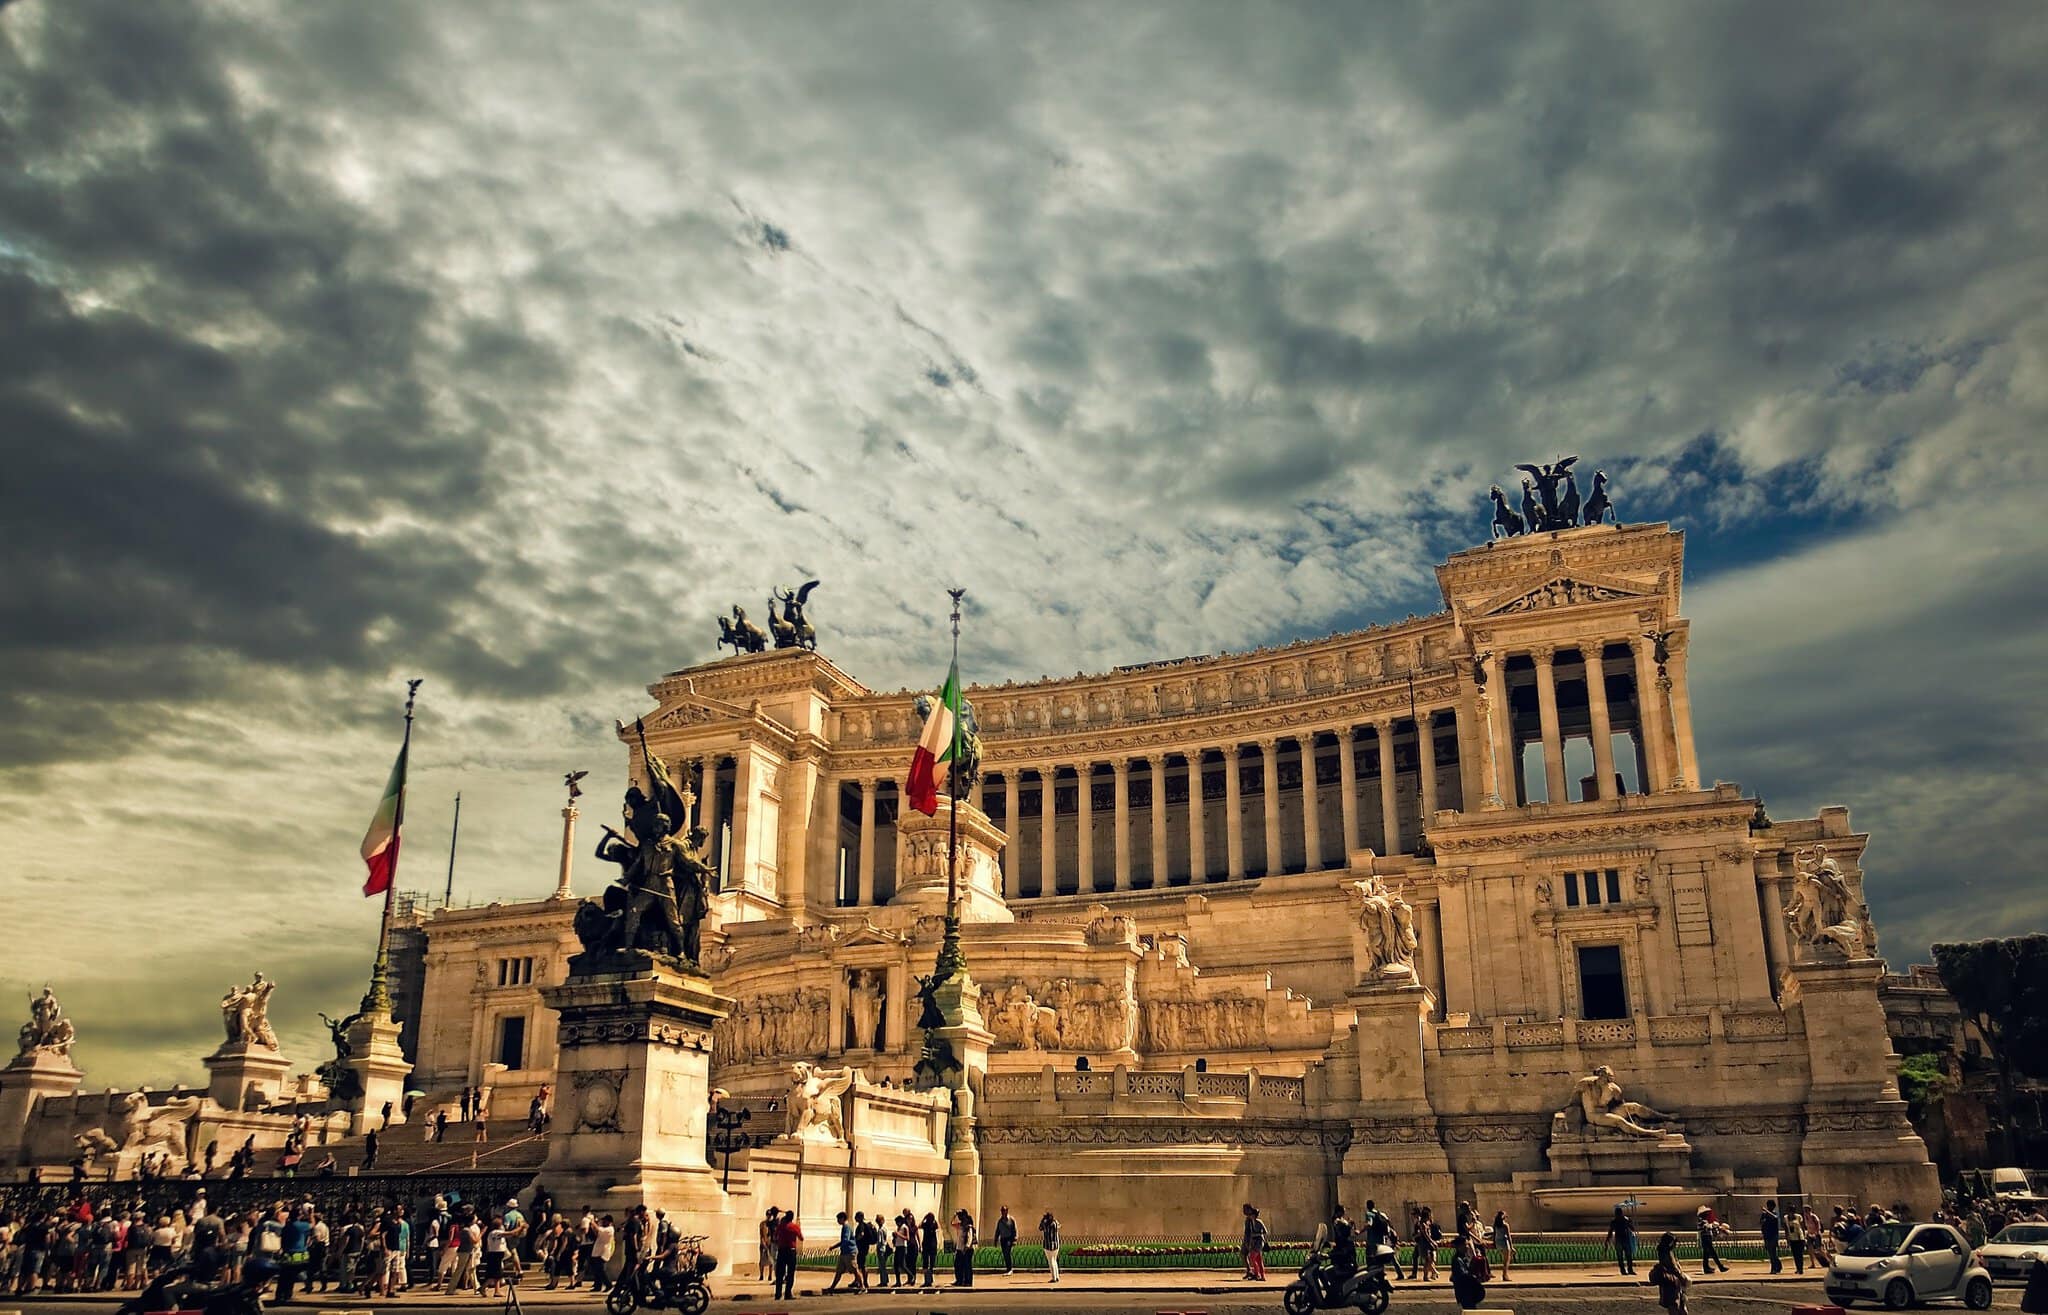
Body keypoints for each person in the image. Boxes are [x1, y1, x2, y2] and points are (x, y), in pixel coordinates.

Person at [1650, 1231, 1691, 1315]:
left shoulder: (1664, 1251)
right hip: (1672, 1282)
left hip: (1670, 1282)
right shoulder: (1667, 1253)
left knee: (1677, 1306)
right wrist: (1682, 1277)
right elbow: (1673, 1268)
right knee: (1675, 1306)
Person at [1450, 1234, 1488, 1310]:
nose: (1467, 1247)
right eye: (1465, 1245)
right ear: (1459, 1247)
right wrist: (1474, 1277)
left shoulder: (1463, 1258)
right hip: (1465, 1292)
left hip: (1469, 1292)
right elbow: (1463, 1275)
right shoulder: (1457, 1260)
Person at [826, 1210, 860, 1293]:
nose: (837, 1221)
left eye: (838, 1219)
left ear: (842, 1219)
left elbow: (845, 1240)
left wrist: (836, 1246)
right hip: (844, 1252)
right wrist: (834, 1247)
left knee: (854, 1270)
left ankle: (862, 1286)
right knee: (839, 1271)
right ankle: (832, 1288)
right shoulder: (845, 1227)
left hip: (849, 1252)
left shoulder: (846, 1227)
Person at [772, 1209, 802, 1302]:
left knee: (780, 1273)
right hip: (791, 1251)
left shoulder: (781, 1227)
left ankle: (778, 1294)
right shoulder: (794, 1227)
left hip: (781, 1250)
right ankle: (788, 1293)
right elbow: (801, 1238)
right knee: (790, 1273)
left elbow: (775, 1236)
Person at [1605, 1202, 1637, 1275]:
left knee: (1622, 1257)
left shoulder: (1615, 1221)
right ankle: (1628, 1270)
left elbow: (1610, 1232)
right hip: (1624, 1239)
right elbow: (1632, 1228)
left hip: (1620, 1240)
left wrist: (1607, 1240)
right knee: (1627, 1256)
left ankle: (1625, 1270)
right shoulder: (1624, 1220)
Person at [1695, 1207, 1729, 1275]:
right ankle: (1720, 1266)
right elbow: (1704, 1228)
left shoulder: (1707, 1221)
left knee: (1706, 1254)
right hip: (1705, 1238)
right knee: (1712, 1252)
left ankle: (1706, 1268)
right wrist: (1712, 1225)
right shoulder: (1702, 1221)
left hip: (1707, 1237)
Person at [1331, 1205, 1358, 1285]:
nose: (1344, 1213)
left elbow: (1346, 1229)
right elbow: (1341, 1229)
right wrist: (1349, 1225)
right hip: (1342, 1244)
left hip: (1345, 1244)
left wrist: (1350, 1225)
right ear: (1339, 1211)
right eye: (1343, 1211)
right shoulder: (1336, 1220)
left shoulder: (1341, 1219)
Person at [950, 1209, 977, 1288]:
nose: (959, 1217)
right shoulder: (960, 1225)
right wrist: (954, 1215)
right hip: (959, 1249)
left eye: (960, 1215)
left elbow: (970, 1238)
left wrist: (966, 1247)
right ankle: (959, 1280)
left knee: (967, 1266)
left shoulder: (968, 1227)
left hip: (966, 1250)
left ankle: (968, 1281)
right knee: (958, 1265)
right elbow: (952, 1223)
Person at [1242, 1203, 1267, 1282]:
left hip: (1259, 1242)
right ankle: (1262, 1276)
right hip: (1253, 1242)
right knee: (1259, 1260)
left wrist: (1256, 1234)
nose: (1250, 1216)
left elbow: (1265, 1231)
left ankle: (1257, 1274)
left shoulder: (1258, 1222)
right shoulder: (1250, 1221)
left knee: (1252, 1258)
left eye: (1252, 1214)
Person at [1491, 1209, 1514, 1281]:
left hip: (1498, 1243)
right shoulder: (1505, 1225)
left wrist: (1494, 1242)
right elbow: (1508, 1236)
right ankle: (1505, 1275)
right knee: (1506, 1260)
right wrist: (1511, 1246)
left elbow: (1494, 1235)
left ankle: (1504, 1274)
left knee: (1504, 1259)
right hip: (1504, 1242)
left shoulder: (1496, 1225)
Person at [1760, 1200, 1782, 1274]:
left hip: (1773, 1235)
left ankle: (1774, 1268)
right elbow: (1761, 1222)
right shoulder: (1765, 1214)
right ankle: (1778, 1265)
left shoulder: (1775, 1213)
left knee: (1773, 1252)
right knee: (1770, 1252)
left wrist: (1766, 1211)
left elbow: (1775, 1217)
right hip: (1767, 1235)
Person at [994, 1206, 1017, 1274]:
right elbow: (997, 1231)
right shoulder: (1000, 1221)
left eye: (1004, 1210)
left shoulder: (1011, 1219)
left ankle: (1010, 1268)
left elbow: (1014, 1230)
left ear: (1007, 1211)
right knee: (1005, 1254)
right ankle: (1008, 1268)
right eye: (1002, 1211)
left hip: (1009, 1239)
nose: (1002, 1212)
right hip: (1003, 1239)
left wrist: (1014, 1239)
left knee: (1007, 1253)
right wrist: (995, 1240)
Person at [1039, 1210, 1061, 1284]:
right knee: (1054, 1261)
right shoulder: (1055, 1223)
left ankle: (1053, 1278)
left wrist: (1042, 1220)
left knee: (1051, 1261)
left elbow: (1040, 1228)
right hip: (1056, 1245)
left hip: (1048, 1245)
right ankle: (1057, 1276)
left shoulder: (1046, 1224)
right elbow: (1059, 1225)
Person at [919, 1212, 939, 1288]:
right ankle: (930, 1279)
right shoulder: (933, 1225)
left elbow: (919, 1225)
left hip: (926, 1245)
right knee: (931, 1264)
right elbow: (937, 1226)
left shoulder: (925, 1225)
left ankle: (927, 1280)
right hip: (932, 1245)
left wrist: (924, 1218)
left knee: (925, 1263)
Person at [757, 1209, 776, 1283]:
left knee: (771, 1259)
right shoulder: (763, 1224)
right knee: (762, 1259)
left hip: (770, 1243)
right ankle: (761, 1274)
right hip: (763, 1243)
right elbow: (761, 1234)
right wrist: (763, 1242)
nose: (769, 1216)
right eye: (768, 1215)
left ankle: (770, 1275)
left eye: (770, 1215)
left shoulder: (771, 1224)